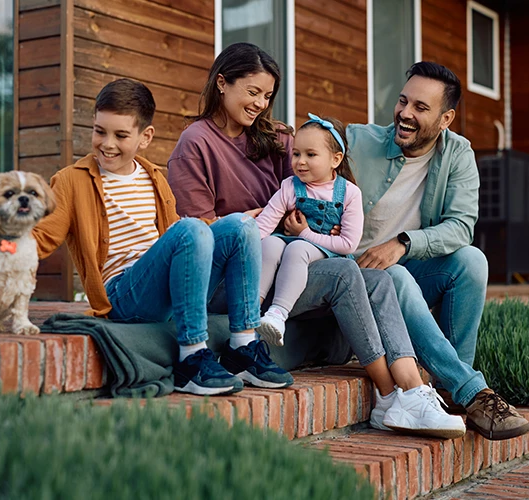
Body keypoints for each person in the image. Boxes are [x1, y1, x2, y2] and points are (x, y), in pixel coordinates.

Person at [169, 42, 465, 438]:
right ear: (222, 83)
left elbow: (319, 167)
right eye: (252, 92)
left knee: (377, 277)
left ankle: (407, 395)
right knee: (345, 274)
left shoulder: (274, 140)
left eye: (267, 95)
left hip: (285, 264)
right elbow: (196, 236)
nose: (260, 103)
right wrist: (244, 221)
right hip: (232, 278)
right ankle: (390, 391)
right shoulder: (196, 142)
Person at [32, 78, 293, 397]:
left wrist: (231, 224)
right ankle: (192, 358)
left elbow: (182, 237)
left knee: (240, 226)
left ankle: (242, 347)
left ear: (145, 137)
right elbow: (40, 237)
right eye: (100, 131)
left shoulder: (153, 176)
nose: (107, 143)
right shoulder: (72, 181)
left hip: (166, 284)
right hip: (122, 293)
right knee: (191, 228)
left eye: (121, 135)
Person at [347, 61, 529, 440]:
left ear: (446, 118)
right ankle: (473, 392)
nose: (405, 114)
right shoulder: (357, 141)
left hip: (404, 268)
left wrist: (403, 243)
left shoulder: (459, 154)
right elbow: (307, 150)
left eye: (420, 107)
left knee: (471, 261)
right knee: (392, 275)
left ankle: (450, 386)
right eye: (403, 102)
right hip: (354, 282)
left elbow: (462, 227)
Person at [255, 114, 364, 347]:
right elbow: (265, 222)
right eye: (296, 154)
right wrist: (241, 241)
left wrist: (304, 233)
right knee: (271, 243)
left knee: (298, 248)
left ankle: (278, 313)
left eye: (311, 155)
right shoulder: (290, 186)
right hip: (293, 241)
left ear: (335, 159)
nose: (300, 161)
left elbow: (348, 244)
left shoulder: (349, 193)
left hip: (327, 253)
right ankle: (252, 306)